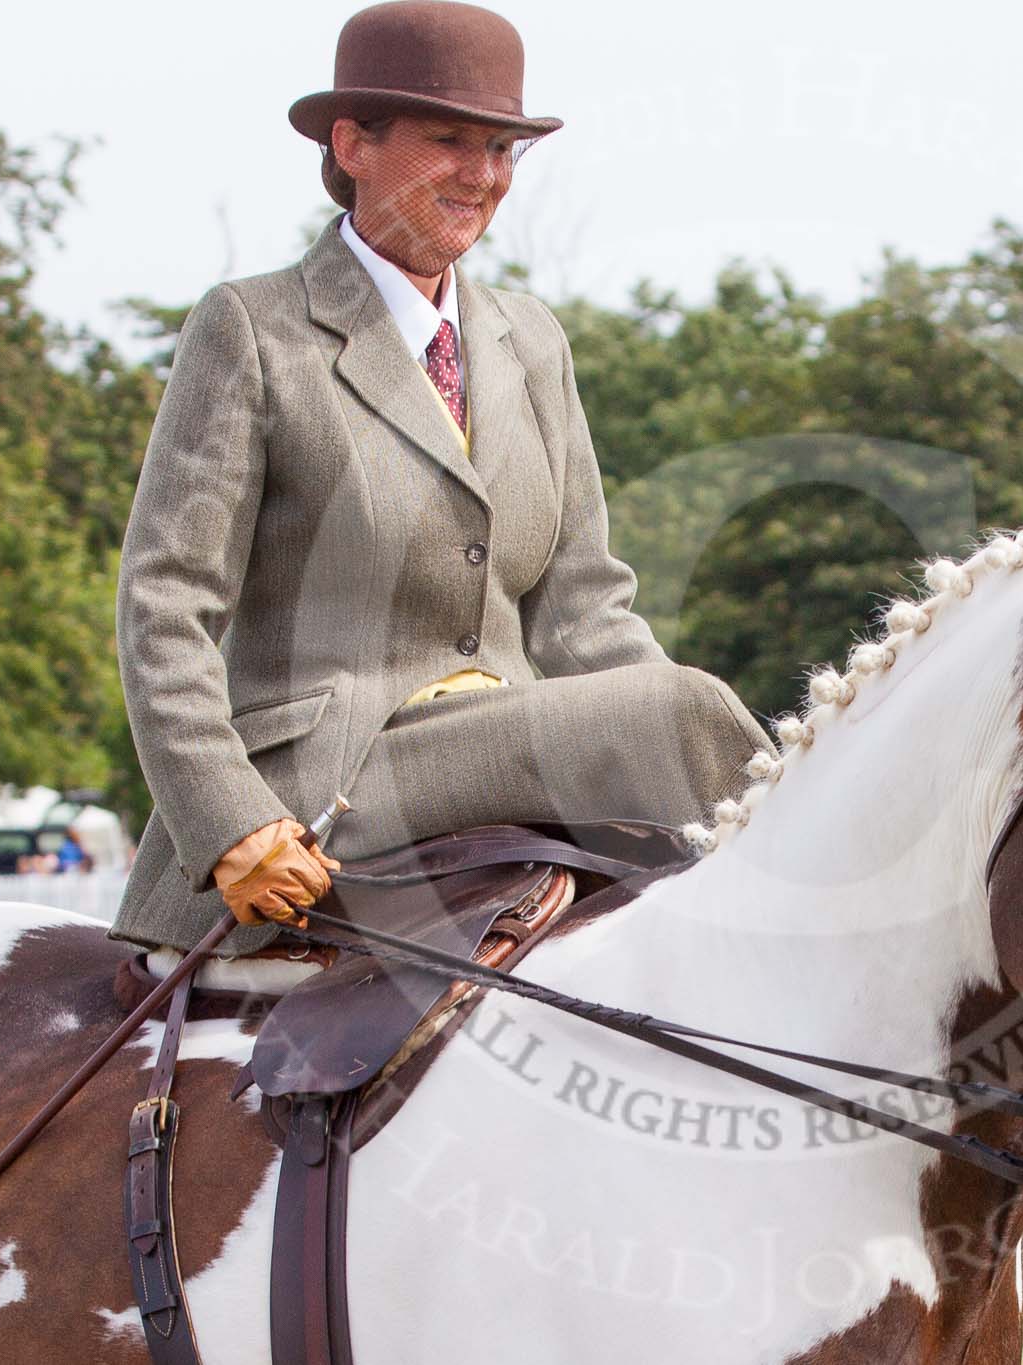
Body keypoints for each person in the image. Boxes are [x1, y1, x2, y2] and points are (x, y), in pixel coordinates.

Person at [109, 1, 768, 956]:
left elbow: (583, 609)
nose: (484, 175)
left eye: (504, 150)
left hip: (508, 747)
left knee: (670, 732)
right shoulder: (253, 329)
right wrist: (228, 820)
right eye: (451, 141)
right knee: (687, 711)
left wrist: (665, 761)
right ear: (353, 144)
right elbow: (166, 603)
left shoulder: (532, 339)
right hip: (331, 774)